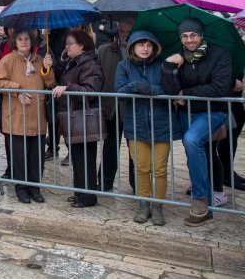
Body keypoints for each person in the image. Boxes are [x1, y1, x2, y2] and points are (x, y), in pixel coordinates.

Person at [162, 18, 233, 226]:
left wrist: (188, 92)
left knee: (192, 140)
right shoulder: (179, 56)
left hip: (213, 111)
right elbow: (170, 91)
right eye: (184, 36)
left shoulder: (220, 55)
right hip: (187, 112)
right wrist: (168, 66)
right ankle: (205, 202)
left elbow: (221, 88)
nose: (189, 40)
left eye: (193, 35)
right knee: (194, 151)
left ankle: (201, 199)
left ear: (201, 35)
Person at [115, 30, 179, 226]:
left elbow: (171, 89)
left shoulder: (162, 65)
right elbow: (119, 91)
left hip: (162, 122)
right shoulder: (123, 65)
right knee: (142, 167)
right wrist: (135, 85)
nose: (145, 48)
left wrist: (151, 89)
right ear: (133, 46)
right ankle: (144, 204)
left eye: (149, 45)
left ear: (154, 48)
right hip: (136, 123)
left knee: (159, 169)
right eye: (141, 44)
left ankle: (158, 206)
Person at [0, 30, 55, 203]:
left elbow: (50, 83)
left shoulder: (39, 60)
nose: (24, 42)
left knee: (37, 156)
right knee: (19, 156)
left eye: (27, 39)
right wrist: (17, 90)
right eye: (20, 39)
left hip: (37, 116)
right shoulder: (8, 60)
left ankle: (35, 188)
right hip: (16, 117)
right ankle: (21, 188)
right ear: (15, 42)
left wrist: (47, 69)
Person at [51, 30, 104, 208]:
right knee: (77, 158)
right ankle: (80, 193)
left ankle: (88, 196)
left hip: (83, 118)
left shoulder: (90, 65)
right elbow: (60, 79)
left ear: (81, 46)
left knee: (86, 158)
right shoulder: (72, 63)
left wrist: (69, 87)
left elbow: (91, 91)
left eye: (70, 44)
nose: (66, 47)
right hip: (73, 118)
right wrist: (59, 63)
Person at [97, 18, 135, 191]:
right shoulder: (105, 50)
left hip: (134, 107)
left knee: (135, 146)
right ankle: (105, 181)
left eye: (127, 32)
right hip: (111, 106)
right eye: (121, 31)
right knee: (110, 145)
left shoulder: (139, 51)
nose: (124, 35)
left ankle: (137, 183)